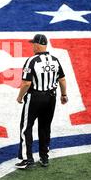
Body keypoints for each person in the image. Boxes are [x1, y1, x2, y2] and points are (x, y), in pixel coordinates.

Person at [15, 34, 68, 169]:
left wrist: (20, 97)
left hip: (35, 97)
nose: (32, 46)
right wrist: (64, 94)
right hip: (51, 97)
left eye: (33, 43)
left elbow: (27, 83)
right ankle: (44, 157)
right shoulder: (55, 60)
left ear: (38, 44)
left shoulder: (31, 61)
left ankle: (28, 159)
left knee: (26, 127)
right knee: (45, 127)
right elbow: (62, 79)